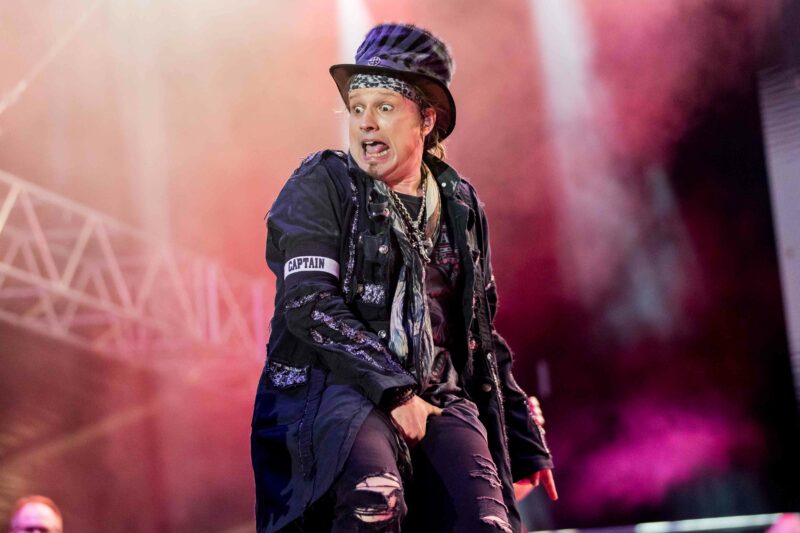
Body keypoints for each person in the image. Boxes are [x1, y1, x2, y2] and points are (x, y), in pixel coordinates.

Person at [251, 23, 556, 533]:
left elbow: (477, 331)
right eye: (357, 108)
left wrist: (522, 434)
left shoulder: (460, 205)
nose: (366, 123)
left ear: (426, 119)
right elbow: (309, 304)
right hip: (337, 387)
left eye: (385, 107)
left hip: (436, 388)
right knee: (375, 498)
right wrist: (396, 394)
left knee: (488, 522)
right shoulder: (322, 183)